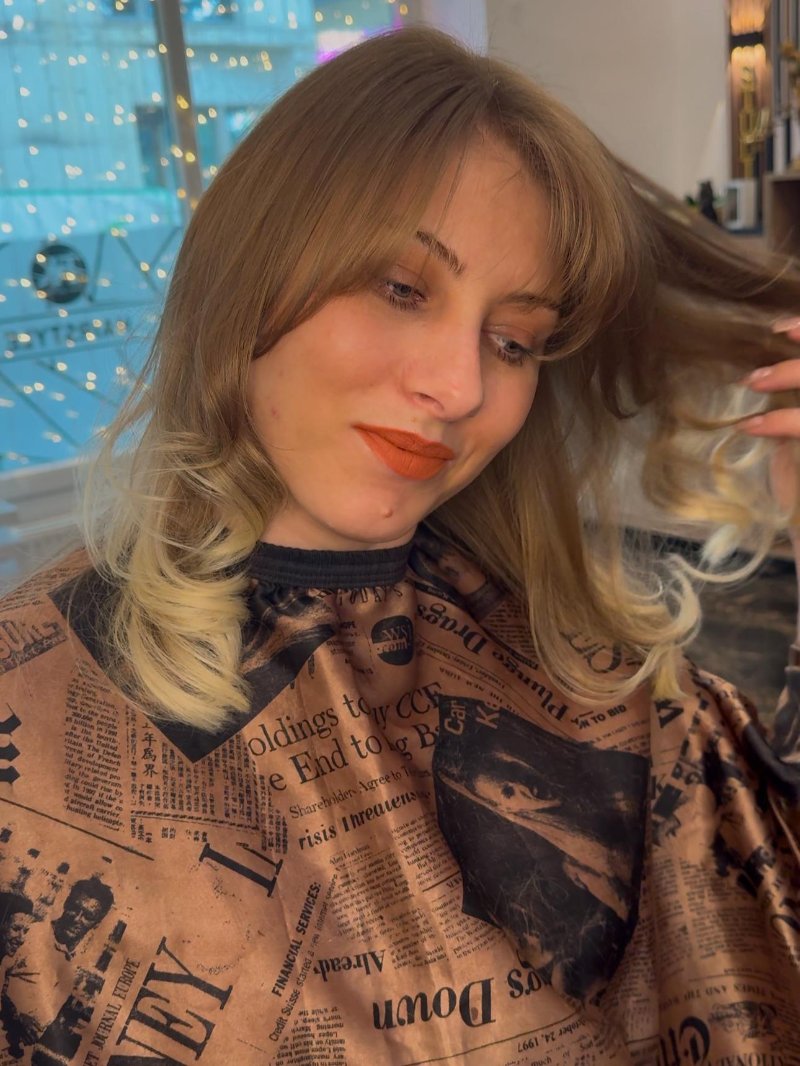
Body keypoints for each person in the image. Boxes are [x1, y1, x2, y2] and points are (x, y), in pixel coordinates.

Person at [1, 24, 800, 1065]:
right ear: (254, 268)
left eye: (513, 341)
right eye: (401, 288)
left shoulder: (591, 668)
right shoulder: (26, 700)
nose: (460, 387)